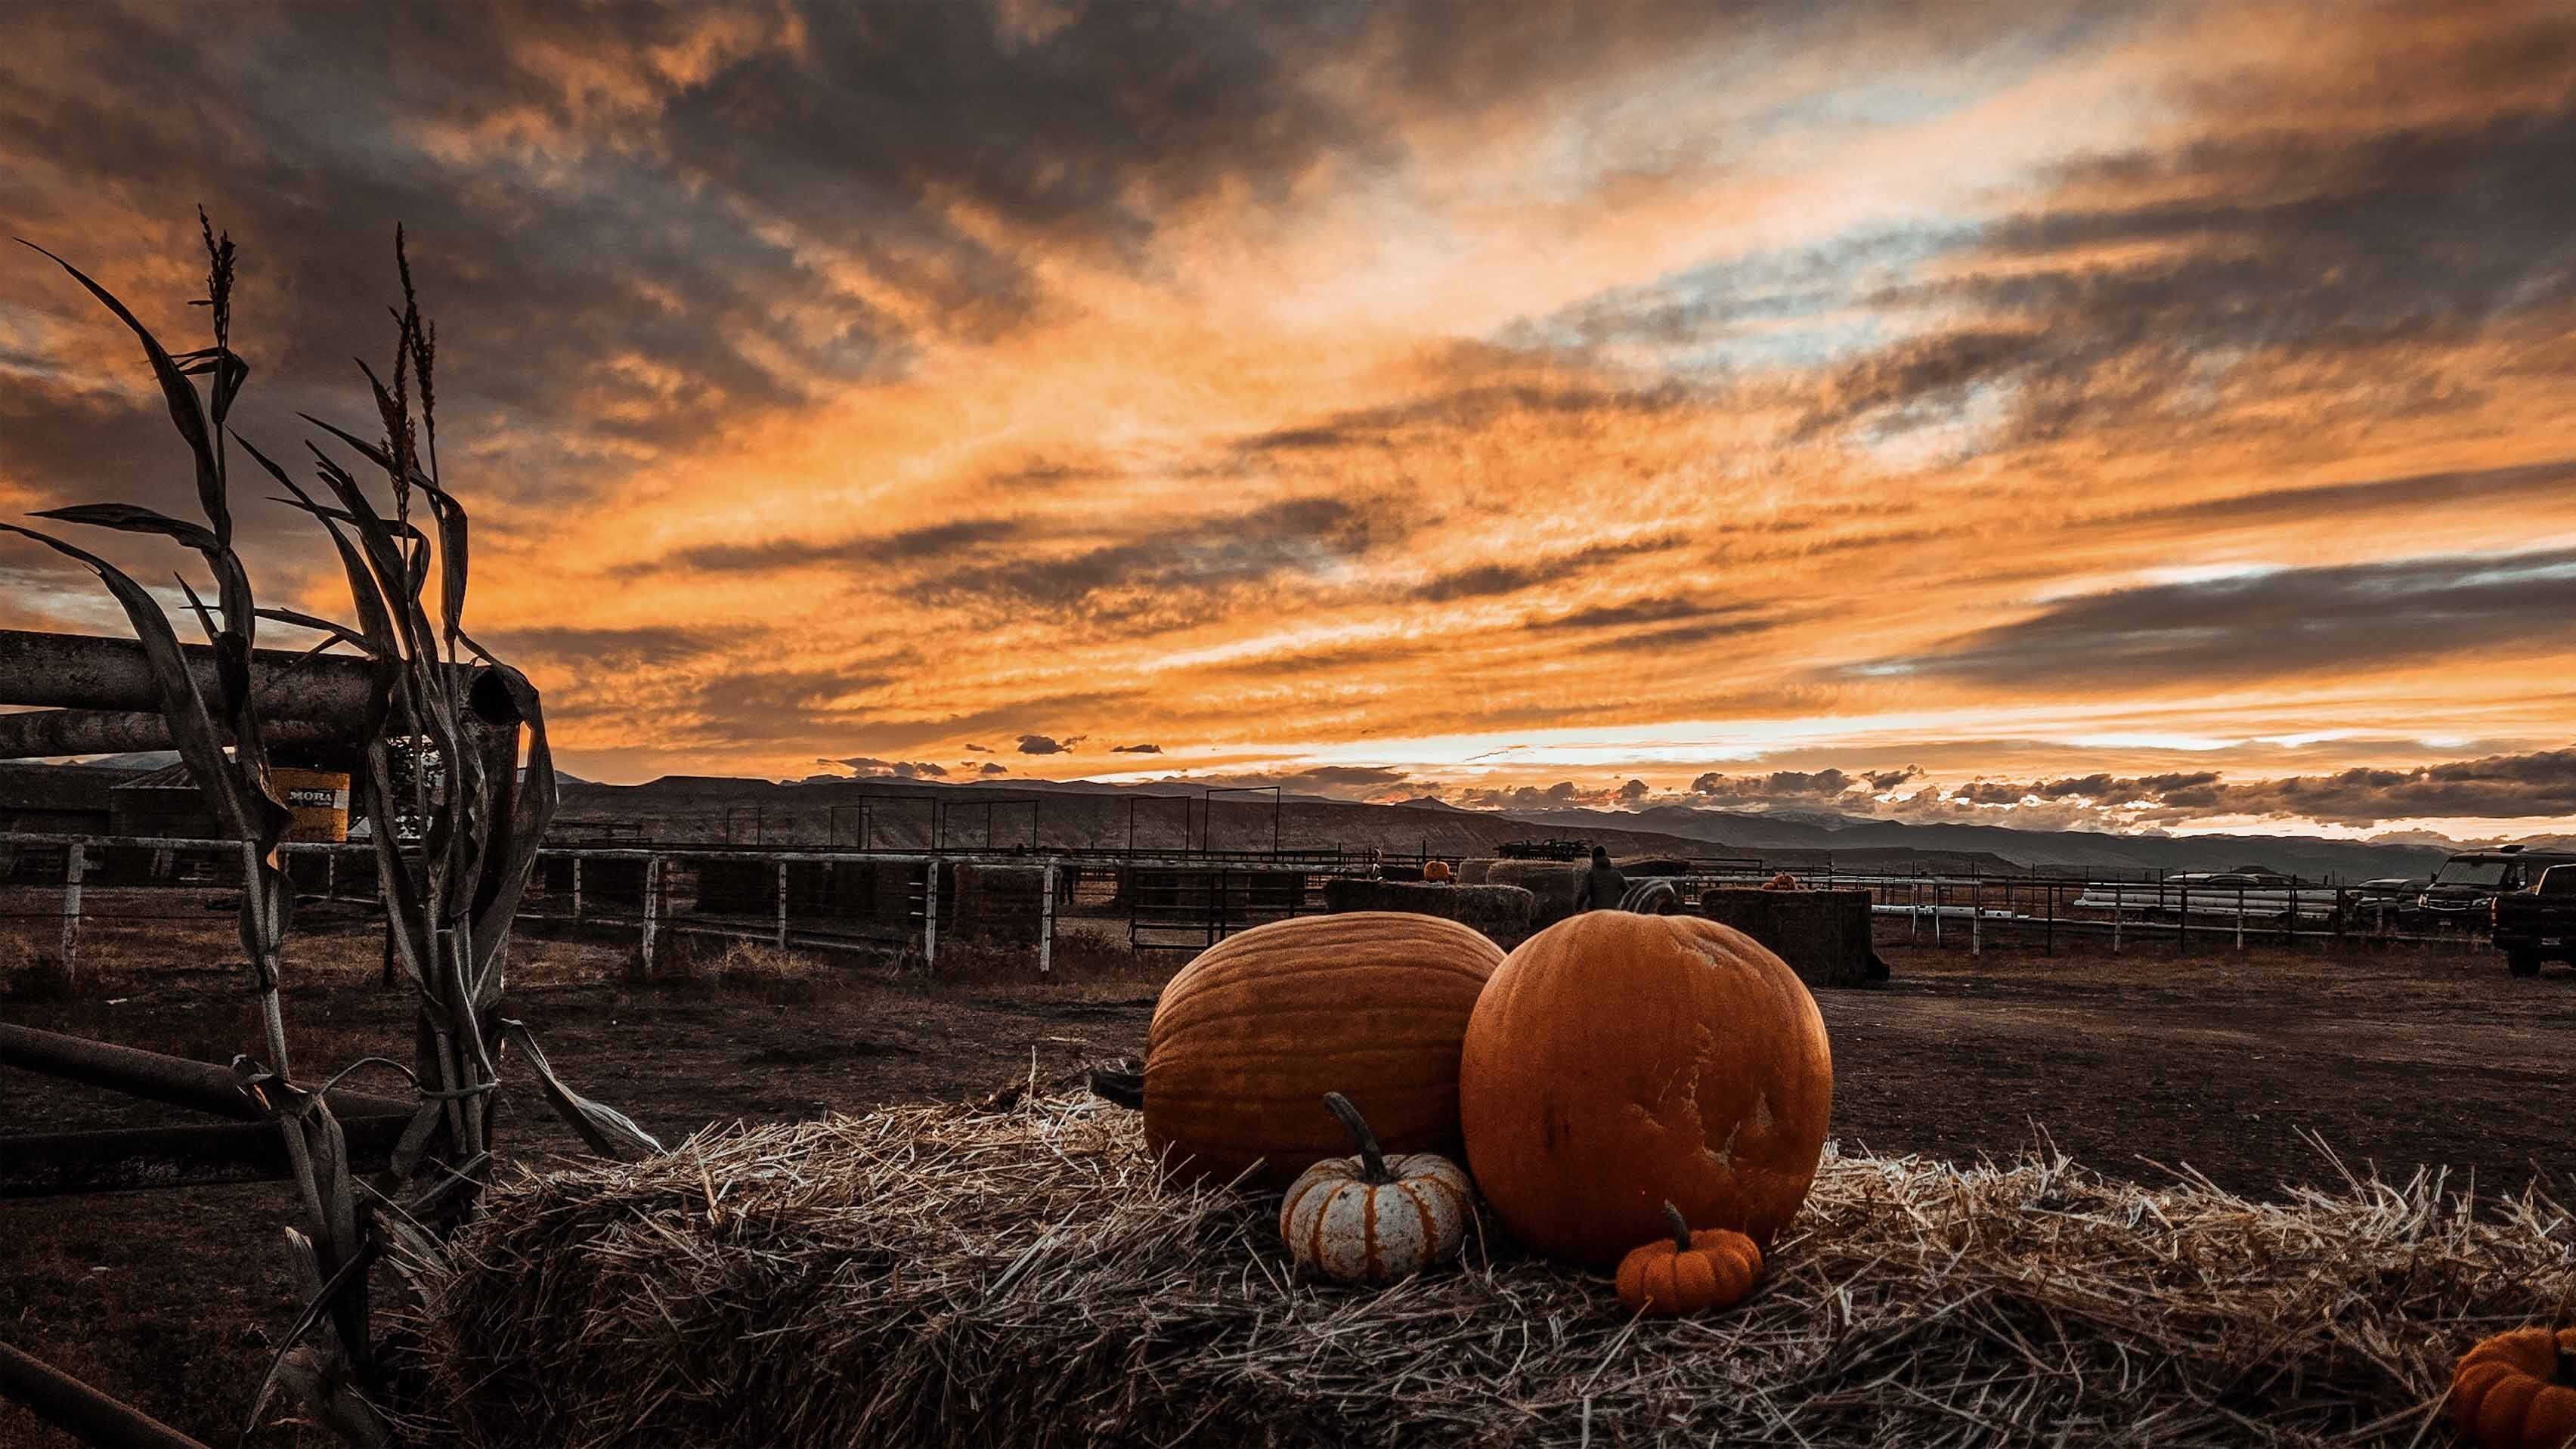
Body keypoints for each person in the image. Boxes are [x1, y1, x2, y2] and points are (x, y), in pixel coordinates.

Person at [1582, 845, 1626, 912]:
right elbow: (1629, 892)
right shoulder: (1617, 874)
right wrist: (1618, 902)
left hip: (1597, 913)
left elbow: (1583, 894)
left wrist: (1578, 907)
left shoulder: (1592, 874)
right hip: (1613, 913)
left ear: (1593, 859)